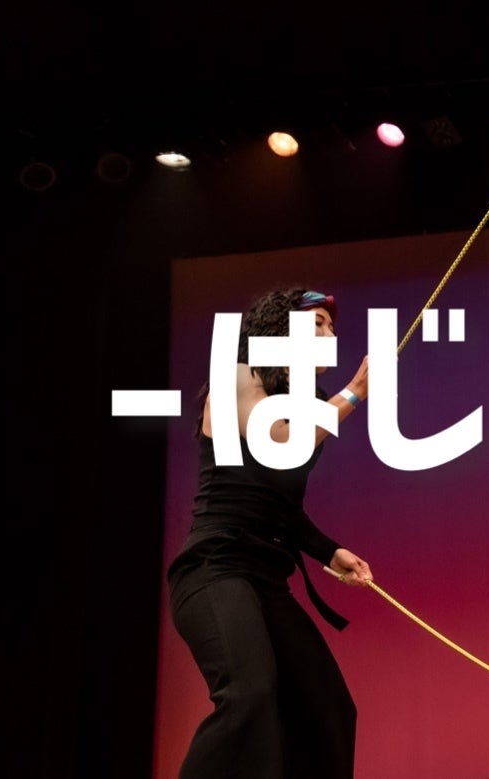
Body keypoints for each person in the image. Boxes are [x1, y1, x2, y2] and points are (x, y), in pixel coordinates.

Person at [167, 287, 375, 777]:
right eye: (316, 324)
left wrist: (330, 552)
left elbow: (280, 507)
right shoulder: (238, 378)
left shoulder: (309, 404)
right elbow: (280, 442)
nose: (329, 334)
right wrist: (355, 392)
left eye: (331, 326)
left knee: (328, 708)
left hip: (265, 581)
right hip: (214, 570)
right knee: (249, 694)